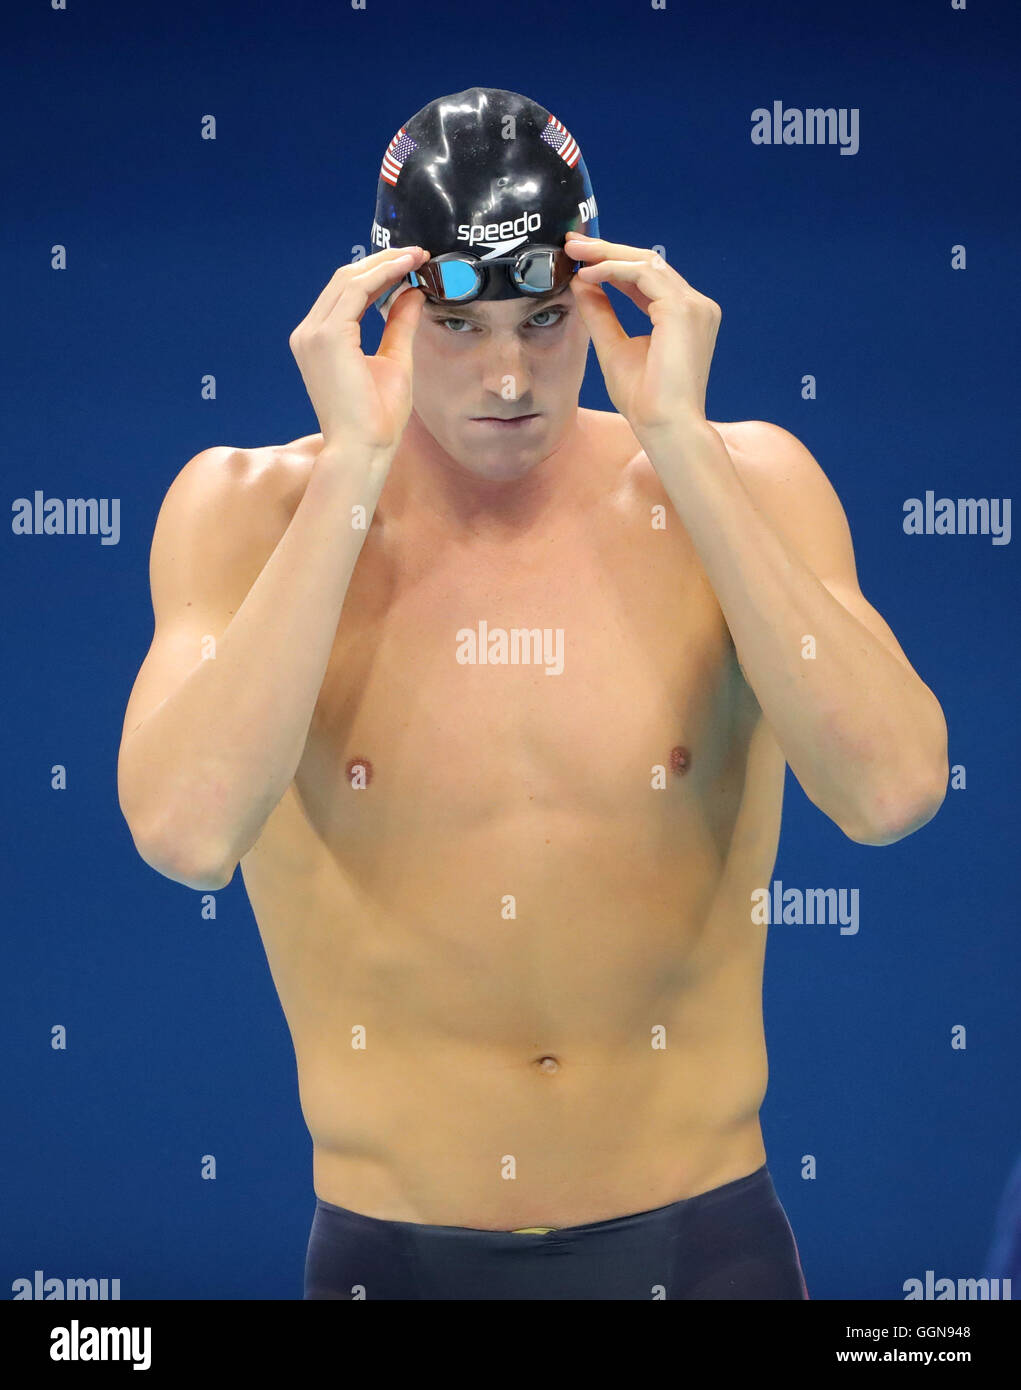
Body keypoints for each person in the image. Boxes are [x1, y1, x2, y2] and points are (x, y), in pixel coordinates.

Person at [117, 87, 948, 1299]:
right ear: (390, 310)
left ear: (603, 297)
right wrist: (353, 465)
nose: (509, 374)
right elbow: (187, 833)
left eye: (545, 320)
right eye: (461, 329)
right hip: (392, 1255)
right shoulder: (245, 512)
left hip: (702, 1247)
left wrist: (683, 445)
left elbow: (890, 793)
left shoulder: (745, 483)